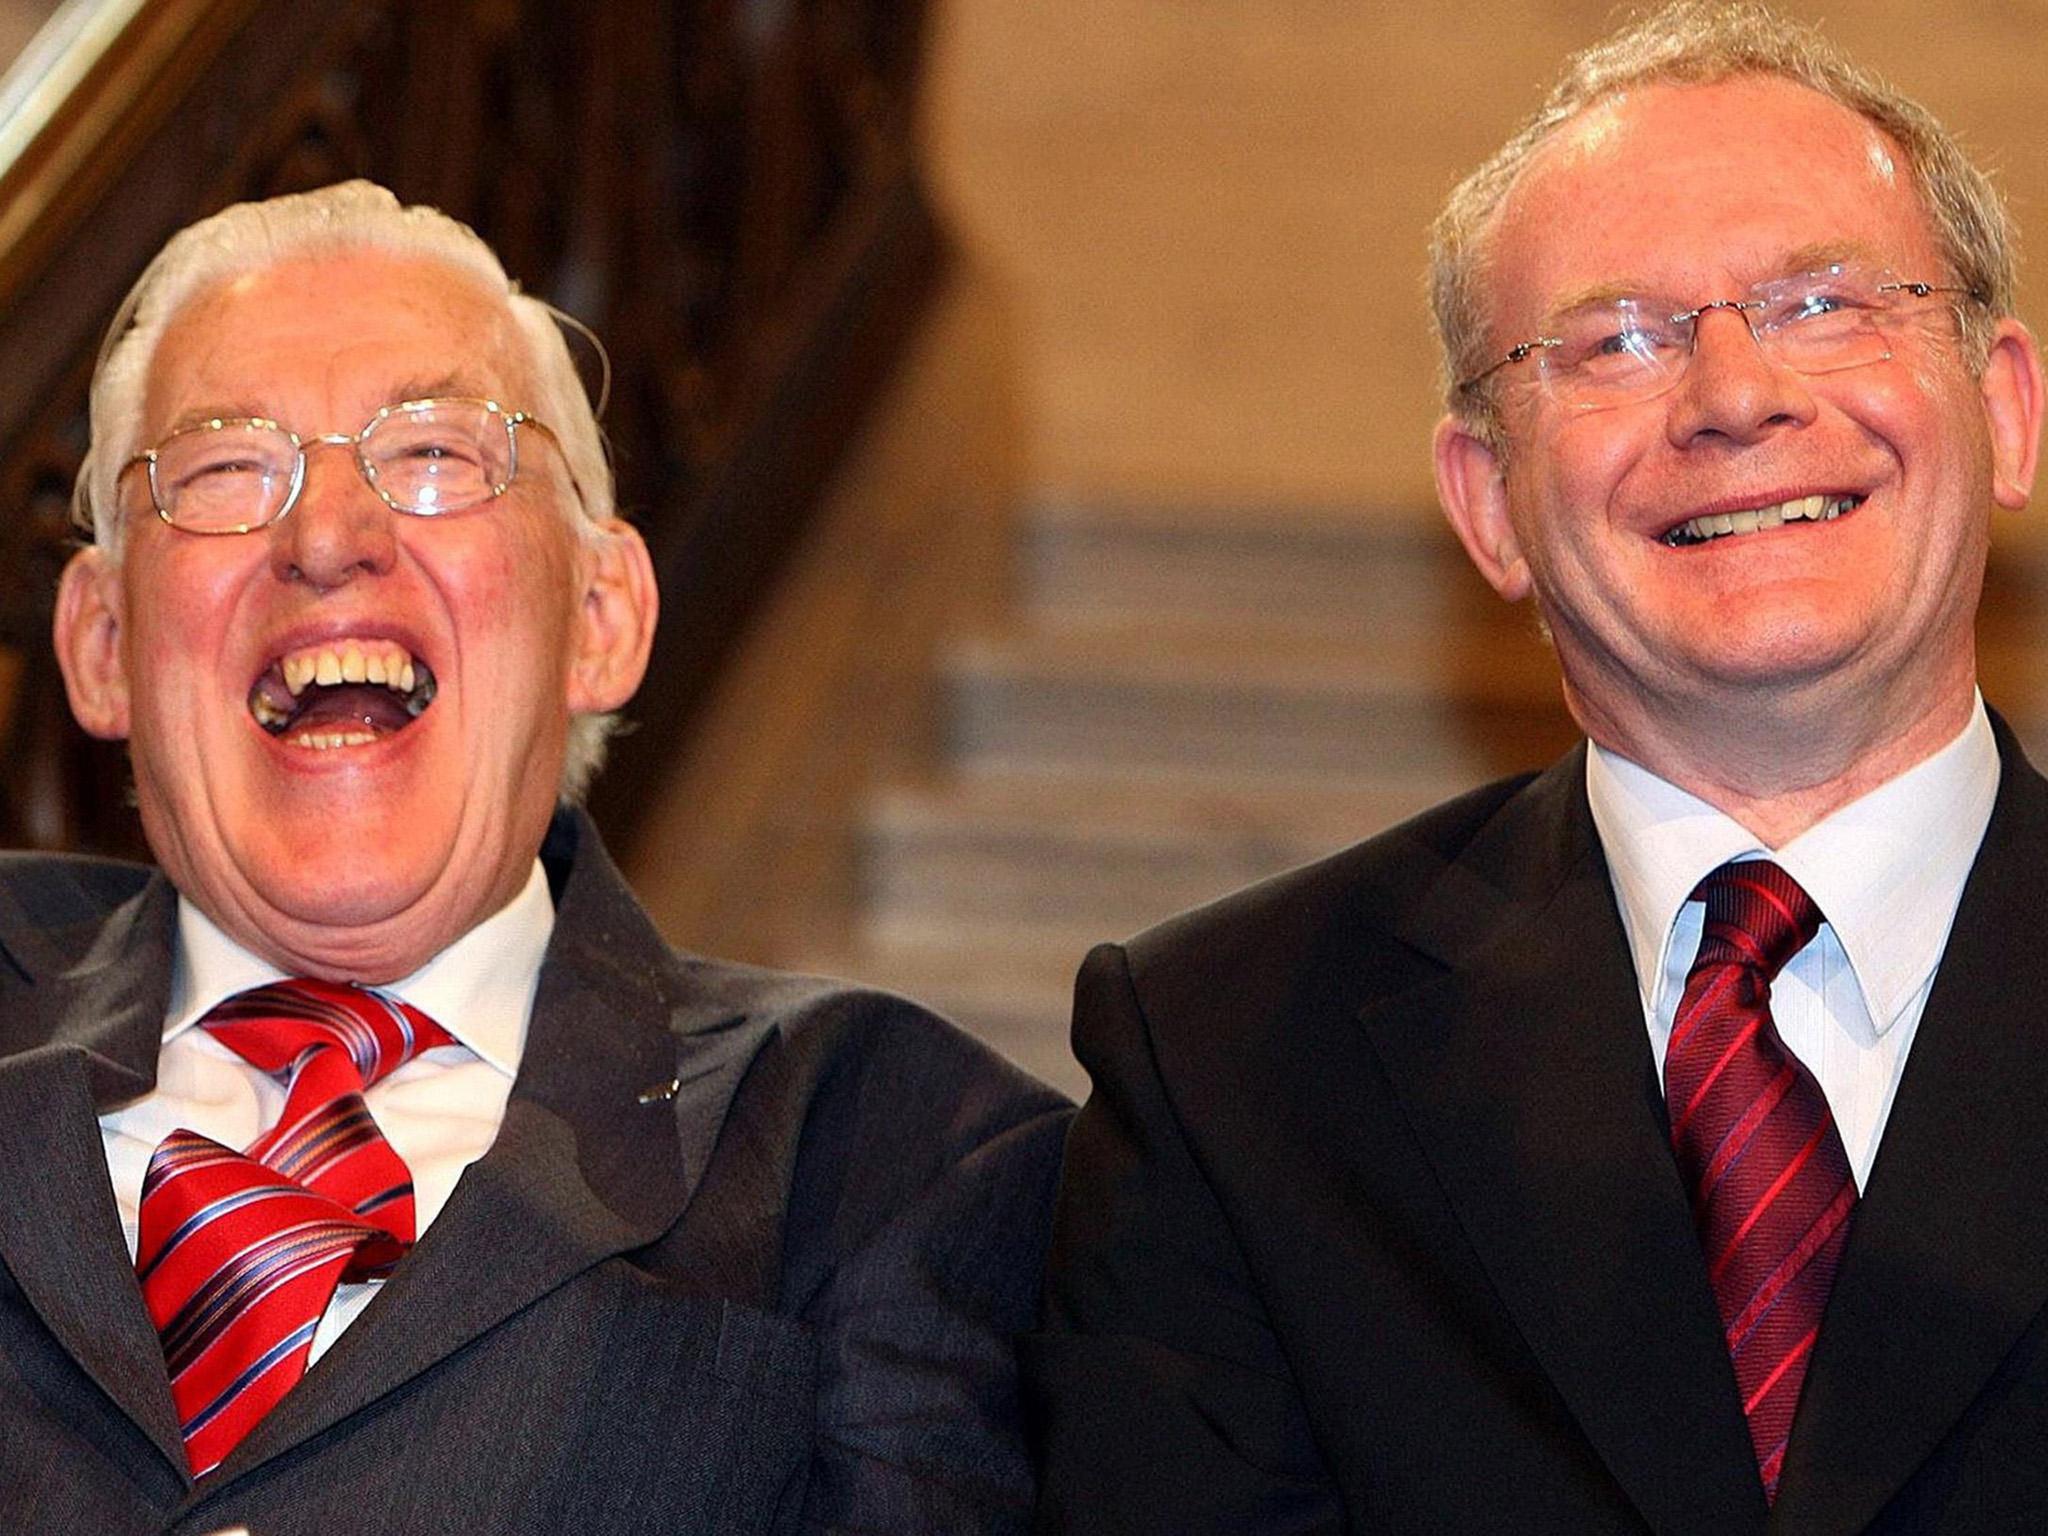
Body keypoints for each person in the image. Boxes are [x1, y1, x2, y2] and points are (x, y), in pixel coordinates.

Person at [1026, 5, 2048, 1531]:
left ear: (2007, 411)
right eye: (1617, 339)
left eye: (1825, 303)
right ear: (1490, 504)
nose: (1733, 395)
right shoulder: (1229, 1069)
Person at [0, 180, 1069, 1534]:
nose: (328, 538)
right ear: (99, 643)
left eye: (437, 454)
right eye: (225, 469)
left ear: (604, 617)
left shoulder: (883, 1147)